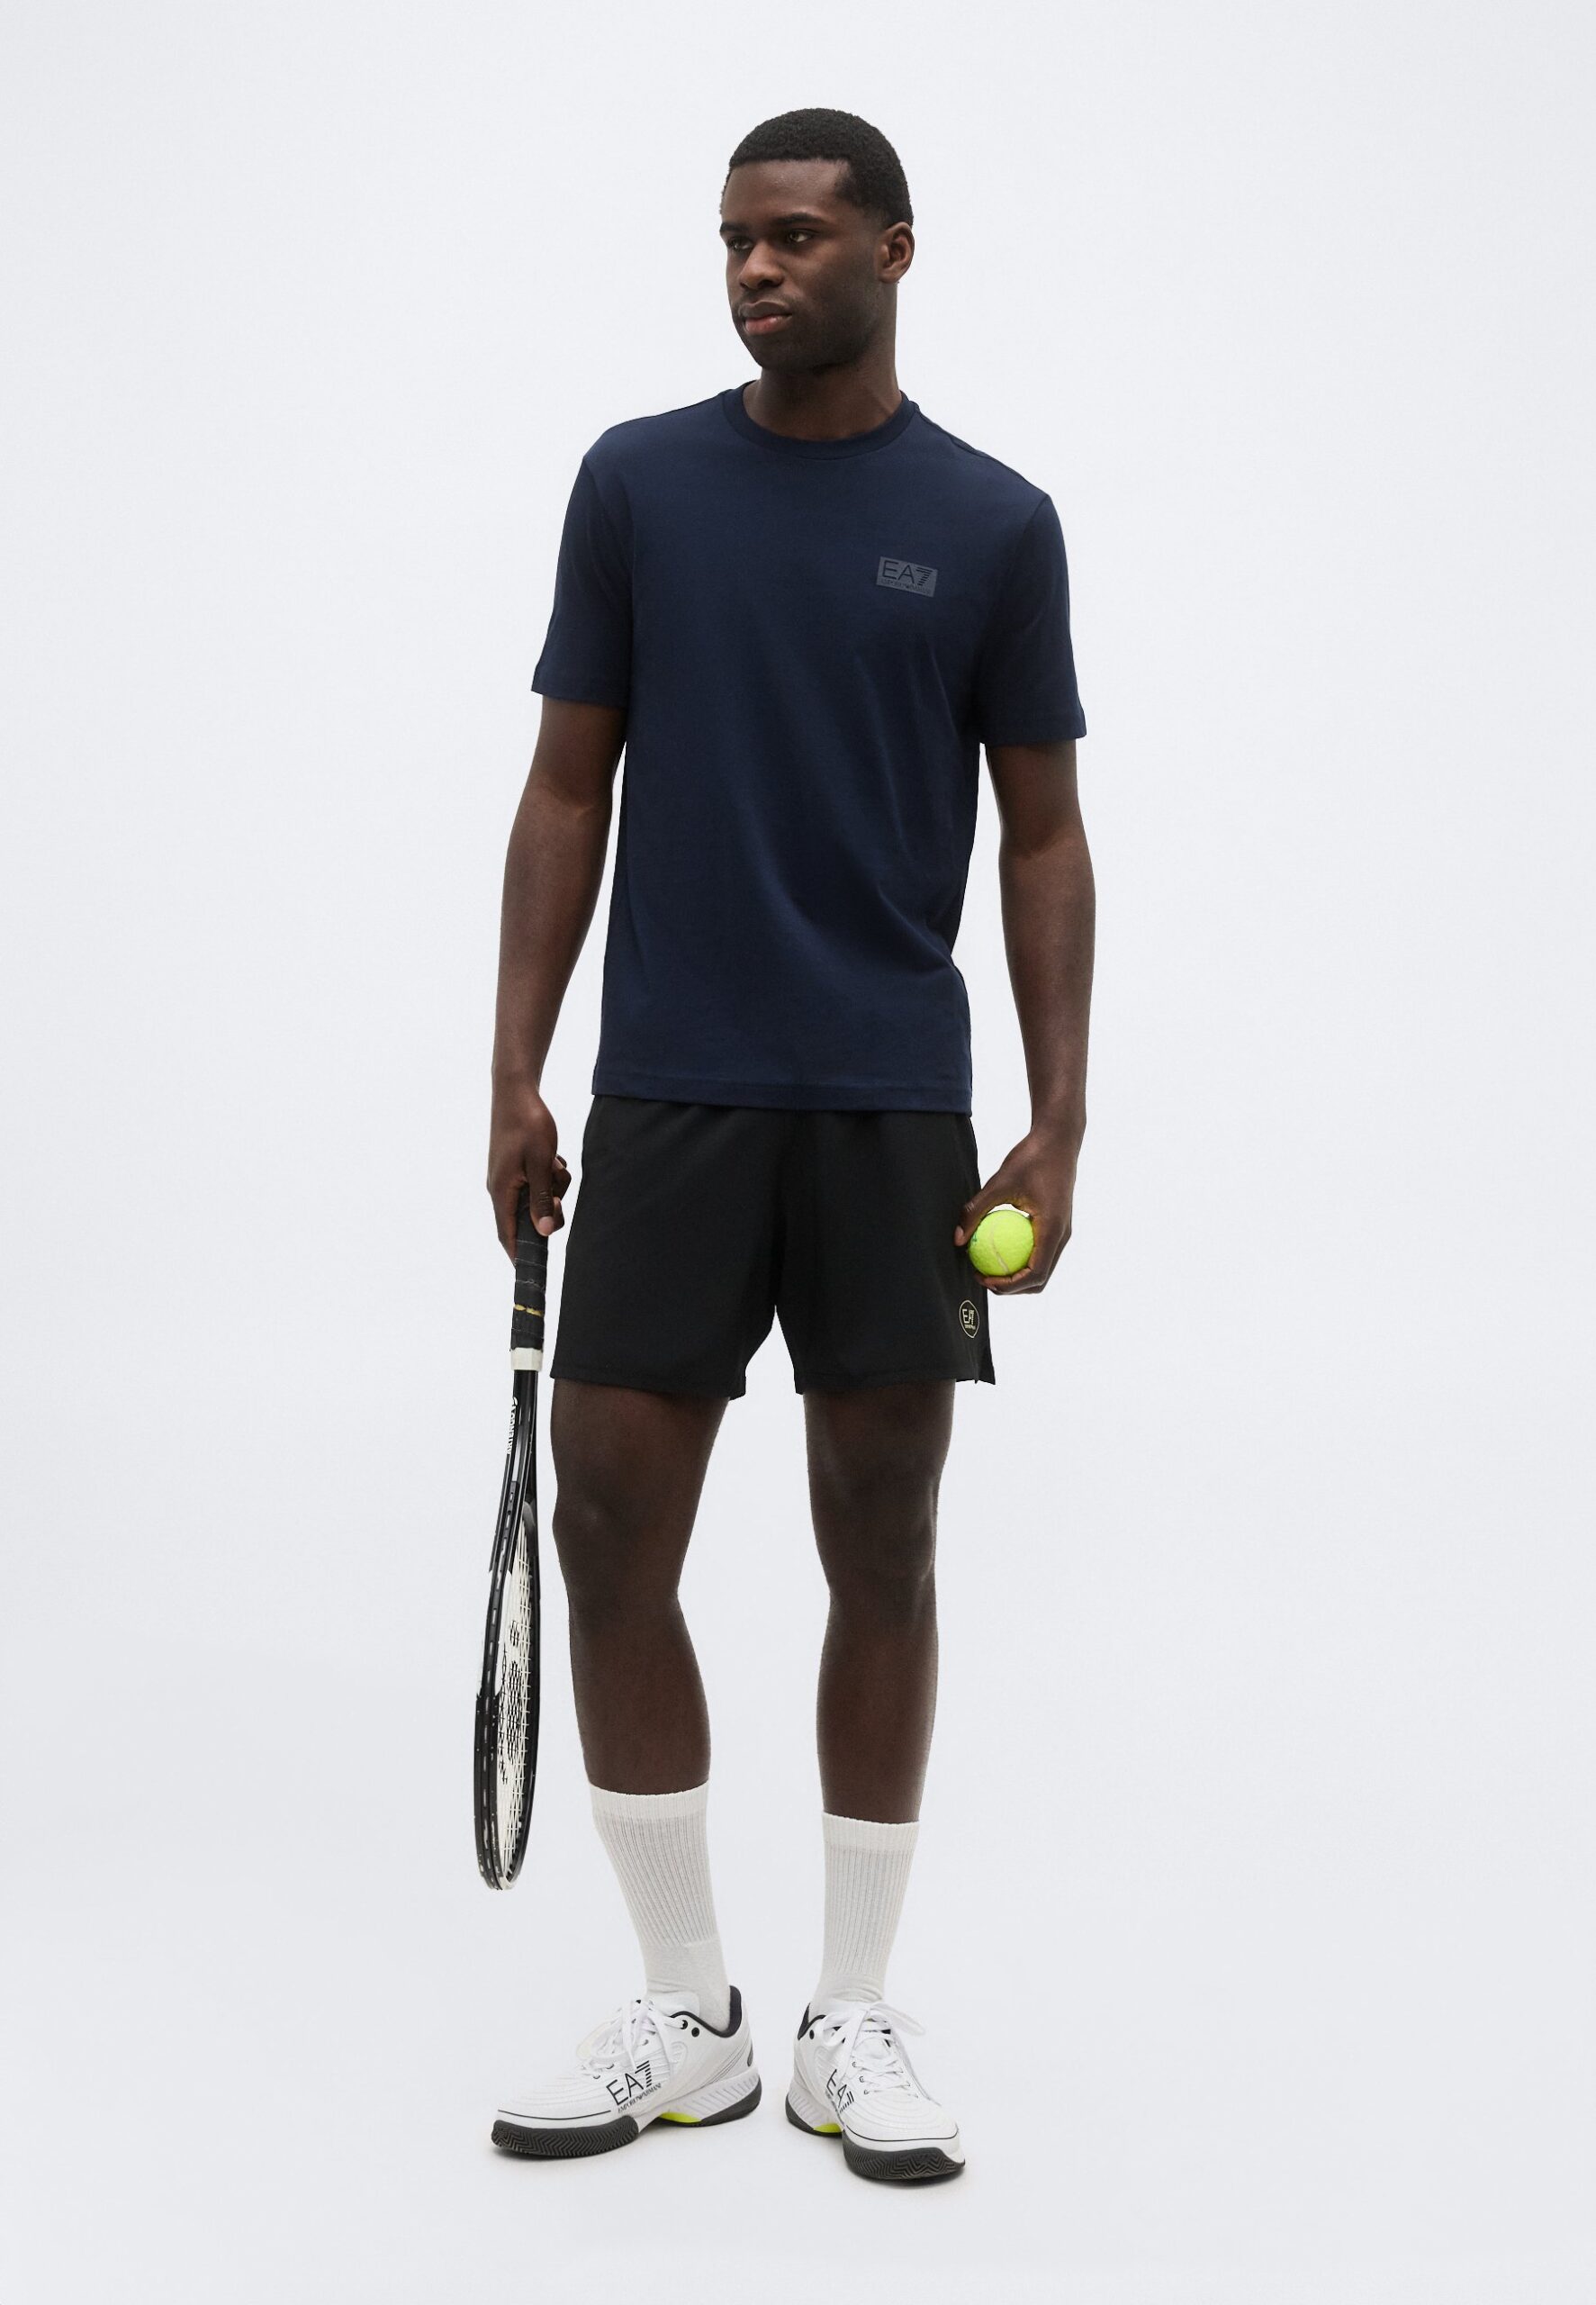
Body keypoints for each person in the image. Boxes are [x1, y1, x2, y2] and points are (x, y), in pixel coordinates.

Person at [485, 106, 1095, 2183]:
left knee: (883, 1539)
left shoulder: (991, 522)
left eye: (798, 236)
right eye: (735, 236)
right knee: (605, 1524)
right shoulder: (638, 484)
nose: (756, 266)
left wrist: (1058, 1122)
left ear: (892, 251)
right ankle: (692, 2012)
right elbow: (564, 787)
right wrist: (515, 1070)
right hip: (666, 1090)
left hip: (887, 1107)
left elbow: (1041, 833)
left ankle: (849, 2009)